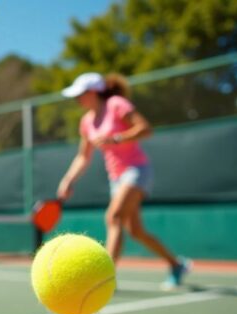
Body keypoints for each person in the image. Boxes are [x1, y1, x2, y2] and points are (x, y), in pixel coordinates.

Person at [56, 72, 191, 290]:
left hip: (136, 170)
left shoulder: (116, 104)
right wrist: (68, 179)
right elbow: (83, 156)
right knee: (135, 231)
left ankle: (105, 277)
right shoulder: (86, 122)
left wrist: (116, 138)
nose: (76, 100)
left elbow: (145, 129)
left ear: (93, 92)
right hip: (116, 178)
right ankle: (176, 265)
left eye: (79, 94)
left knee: (113, 216)